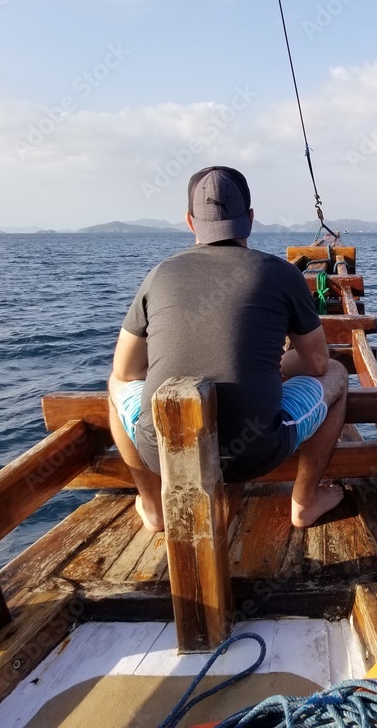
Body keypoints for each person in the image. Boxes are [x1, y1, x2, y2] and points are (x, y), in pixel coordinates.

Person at [107, 165, 348, 532]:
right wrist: (278, 366)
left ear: (190, 222)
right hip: (252, 452)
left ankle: (154, 506)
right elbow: (317, 362)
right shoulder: (280, 274)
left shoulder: (159, 275)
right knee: (337, 374)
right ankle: (305, 500)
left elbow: (125, 371)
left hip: (163, 454)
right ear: (250, 219)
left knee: (114, 385)